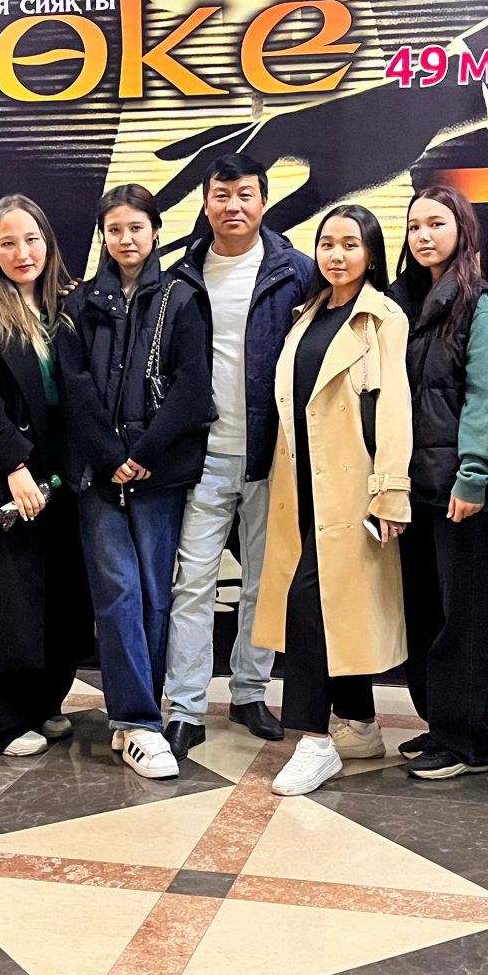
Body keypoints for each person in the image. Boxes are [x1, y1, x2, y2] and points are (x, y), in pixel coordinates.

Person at [257, 205, 414, 797]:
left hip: (351, 487)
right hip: (301, 486)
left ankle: (313, 740)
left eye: (351, 243)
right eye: (327, 243)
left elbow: (394, 406)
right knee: (333, 608)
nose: (337, 254)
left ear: (371, 253)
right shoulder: (309, 315)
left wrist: (391, 490)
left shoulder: (383, 318)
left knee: (311, 605)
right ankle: (360, 724)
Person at [162, 153, 317, 747]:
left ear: (264, 201)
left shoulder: (296, 272)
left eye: (245, 194)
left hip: (272, 454)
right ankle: (185, 705)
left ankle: (251, 692)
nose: (234, 206)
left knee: (264, 581)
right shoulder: (181, 276)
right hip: (201, 454)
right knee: (193, 583)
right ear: (206, 202)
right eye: (222, 195)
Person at [58, 186, 215, 775]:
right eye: (115, 230)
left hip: (159, 470)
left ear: (155, 230)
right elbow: (73, 386)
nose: (126, 240)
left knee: (154, 591)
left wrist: (145, 452)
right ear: (103, 235)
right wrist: (109, 455)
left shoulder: (181, 296)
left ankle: (138, 716)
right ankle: (138, 722)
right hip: (98, 473)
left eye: (136, 228)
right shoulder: (80, 304)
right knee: (117, 590)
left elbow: (193, 384)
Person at [0, 195, 94, 756]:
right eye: (7, 243)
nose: (22, 252)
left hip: (63, 470)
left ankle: (43, 704)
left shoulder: (67, 307)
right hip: (2, 471)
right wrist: (16, 467)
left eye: (31, 239)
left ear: (47, 242)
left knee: (57, 595)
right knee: (4, 602)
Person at [384, 186, 488, 780]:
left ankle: (468, 742)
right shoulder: (403, 305)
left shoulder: (480, 304)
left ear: (463, 231)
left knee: (464, 619)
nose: (423, 236)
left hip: (458, 490)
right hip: (412, 488)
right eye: (415, 226)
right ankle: (440, 725)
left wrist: (474, 476)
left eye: (436, 224)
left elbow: (486, 398)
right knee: (425, 613)